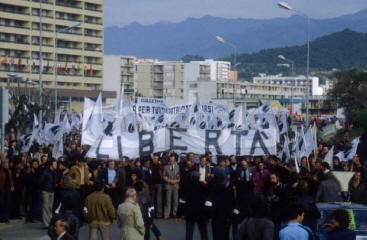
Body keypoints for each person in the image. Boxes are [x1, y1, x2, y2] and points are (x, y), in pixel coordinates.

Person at [176, 171, 210, 240]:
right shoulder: (203, 187)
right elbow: (208, 202)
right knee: (203, 233)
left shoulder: (186, 187)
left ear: (191, 177)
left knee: (189, 233)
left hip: (189, 213)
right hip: (201, 214)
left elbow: (182, 202)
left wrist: (178, 215)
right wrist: (208, 215)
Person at [39, 159, 57, 228]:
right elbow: (40, 181)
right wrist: (43, 187)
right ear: (51, 165)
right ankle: (46, 224)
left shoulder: (54, 171)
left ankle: (50, 222)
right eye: (54, 163)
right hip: (45, 190)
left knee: (50, 207)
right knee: (45, 207)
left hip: (52, 191)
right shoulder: (45, 172)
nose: (56, 165)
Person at [163, 154, 180, 219]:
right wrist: (169, 181)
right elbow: (164, 176)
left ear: (175, 161)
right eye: (170, 160)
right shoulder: (165, 167)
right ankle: (167, 215)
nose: (171, 161)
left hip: (176, 185)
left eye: (173, 160)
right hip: (168, 185)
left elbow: (179, 177)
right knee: (168, 200)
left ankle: (175, 214)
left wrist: (176, 181)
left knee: (175, 200)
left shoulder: (177, 167)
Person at [151, 154, 163, 218]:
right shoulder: (151, 166)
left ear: (158, 159)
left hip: (159, 184)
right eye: (154, 158)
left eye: (156, 159)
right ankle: (153, 213)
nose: (155, 159)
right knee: (152, 200)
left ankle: (159, 214)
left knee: (159, 200)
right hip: (152, 184)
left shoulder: (160, 166)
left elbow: (162, 175)